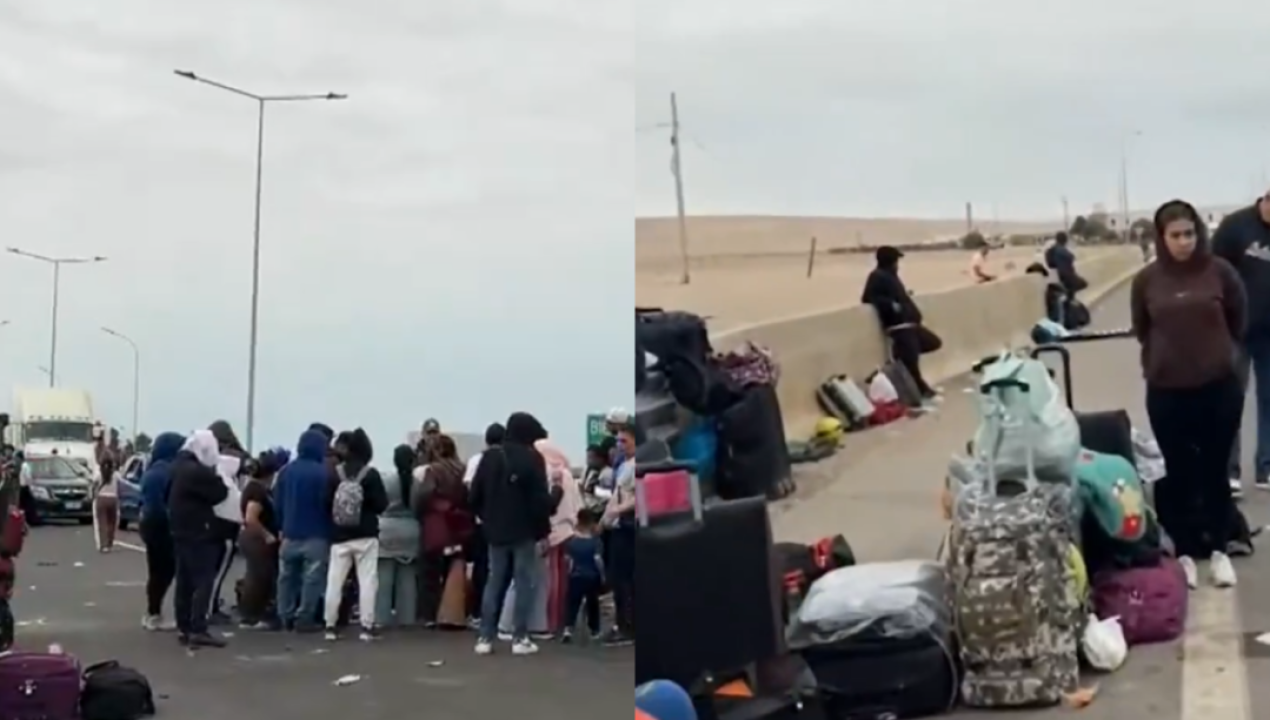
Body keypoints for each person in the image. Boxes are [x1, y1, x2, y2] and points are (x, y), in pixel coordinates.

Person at [1131, 199, 1246, 589]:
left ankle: (1219, 550)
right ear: (1162, 238)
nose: (1185, 242)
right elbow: (1142, 328)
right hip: (1167, 392)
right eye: (1176, 235)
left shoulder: (1221, 273)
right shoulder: (1147, 281)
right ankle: (1183, 552)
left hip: (1218, 389)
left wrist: (1218, 355)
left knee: (1215, 471)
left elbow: (1238, 319)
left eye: (1190, 233)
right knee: (1178, 473)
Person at [469, 411, 553, 656]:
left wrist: (488, 519)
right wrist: (544, 529)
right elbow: (539, 501)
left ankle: (485, 637)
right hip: (524, 531)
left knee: (494, 581)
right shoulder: (533, 458)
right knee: (523, 582)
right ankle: (520, 638)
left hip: (495, 531)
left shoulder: (489, 457)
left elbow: (473, 497)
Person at [1212, 191, 1270, 495]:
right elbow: (1212, 272)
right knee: (1232, 400)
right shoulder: (1235, 227)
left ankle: (1266, 467)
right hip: (1236, 330)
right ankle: (1230, 470)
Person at [323, 428, 388, 641]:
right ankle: (366, 626)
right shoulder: (371, 474)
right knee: (367, 581)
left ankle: (330, 626)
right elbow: (381, 505)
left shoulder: (335, 473)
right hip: (366, 535)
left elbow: (326, 502)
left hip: (339, 535)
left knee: (335, 581)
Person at [168, 430, 230, 647]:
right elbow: (220, 493)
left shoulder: (177, 466)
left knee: (184, 581)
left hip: (180, 528)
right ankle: (198, 628)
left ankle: (184, 626)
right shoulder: (197, 472)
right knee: (204, 580)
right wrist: (219, 474)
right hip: (199, 530)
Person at [274, 428, 334, 632]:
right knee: (312, 579)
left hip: (289, 533)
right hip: (317, 533)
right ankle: (304, 618)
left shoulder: (286, 472)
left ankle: (285, 616)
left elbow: (277, 503)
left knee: (286, 578)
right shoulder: (323, 472)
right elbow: (328, 504)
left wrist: (281, 526)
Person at [861, 245, 938, 400]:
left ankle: (901, 357)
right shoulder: (876, 276)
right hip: (899, 327)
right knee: (911, 363)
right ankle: (922, 390)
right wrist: (890, 305)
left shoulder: (893, 276)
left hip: (911, 324)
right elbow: (867, 298)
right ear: (890, 261)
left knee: (933, 342)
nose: (898, 264)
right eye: (896, 261)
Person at [414, 434, 474, 628]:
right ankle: (453, 612)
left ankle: (430, 615)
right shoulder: (462, 469)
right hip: (458, 524)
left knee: (430, 571)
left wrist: (422, 511)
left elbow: (423, 496)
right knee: (453, 567)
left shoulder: (433, 470)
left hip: (436, 524)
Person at [533, 437, 582, 635]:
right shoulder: (567, 474)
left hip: (552, 532)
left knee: (549, 579)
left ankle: (549, 621)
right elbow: (578, 505)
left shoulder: (544, 473)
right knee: (563, 579)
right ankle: (562, 619)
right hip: (569, 532)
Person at [139, 432, 184, 631]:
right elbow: (162, 504)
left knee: (156, 570)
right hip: (161, 524)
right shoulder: (168, 471)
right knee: (166, 571)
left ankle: (152, 612)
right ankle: (155, 614)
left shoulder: (152, 470)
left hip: (148, 523)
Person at [462, 422, 504, 628]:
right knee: (501, 570)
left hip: (481, 522)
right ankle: (500, 614)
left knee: (481, 569)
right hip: (503, 522)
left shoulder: (476, 460)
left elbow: (469, 489)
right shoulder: (508, 460)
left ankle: (479, 613)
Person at [376, 444, 420, 629]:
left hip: (387, 529)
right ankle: (407, 618)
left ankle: (381, 618)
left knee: (384, 580)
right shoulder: (418, 482)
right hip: (411, 528)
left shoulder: (386, 480)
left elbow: (379, 503)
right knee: (408, 578)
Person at [600, 426, 637, 646]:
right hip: (618, 526)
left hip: (629, 526)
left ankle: (628, 626)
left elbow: (637, 497)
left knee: (626, 579)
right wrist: (605, 519)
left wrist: (617, 511)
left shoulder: (636, 466)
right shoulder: (622, 466)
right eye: (618, 441)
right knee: (618, 578)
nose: (620, 445)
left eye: (625, 441)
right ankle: (622, 623)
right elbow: (617, 495)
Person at [238, 450, 283, 629]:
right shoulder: (257, 491)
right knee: (259, 577)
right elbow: (251, 518)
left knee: (258, 575)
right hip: (257, 539)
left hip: (253, 538)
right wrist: (267, 535)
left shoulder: (254, 488)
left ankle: (251, 614)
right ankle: (251, 616)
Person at [207, 420, 246, 624]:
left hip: (211, 518)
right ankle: (209, 608)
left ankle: (208, 605)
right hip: (227, 521)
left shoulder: (208, 459)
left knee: (209, 567)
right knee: (219, 568)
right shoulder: (233, 458)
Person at [561, 508, 604, 643]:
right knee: (593, 603)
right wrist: (602, 574)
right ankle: (594, 629)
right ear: (592, 523)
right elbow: (598, 560)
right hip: (592, 576)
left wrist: (569, 573)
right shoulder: (596, 542)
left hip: (575, 576)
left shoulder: (571, 542)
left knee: (572, 603)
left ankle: (568, 628)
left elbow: (568, 561)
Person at [91, 452, 120, 553]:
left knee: (102, 522)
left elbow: (93, 485)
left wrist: (94, 495)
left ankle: (103, 545)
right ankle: (109, 543)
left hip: (101, 498)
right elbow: (121, 485)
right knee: (112, 522)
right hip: (113, 498)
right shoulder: (116, 475)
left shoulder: (99, 475)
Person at [1044, 232, 1088, 296]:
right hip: (1067, 274)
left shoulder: (1054, 248)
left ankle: (1068, 295)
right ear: (1065, 240)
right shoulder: (1060, 249)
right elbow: (1071, 257)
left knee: (1074, 287)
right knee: (1083, 284)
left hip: (1061, 274)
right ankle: (1068, 294)